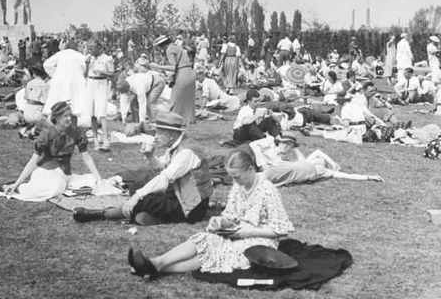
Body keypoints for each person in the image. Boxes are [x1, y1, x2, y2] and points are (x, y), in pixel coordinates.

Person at [127, 150, 293, 278]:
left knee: (218, 252)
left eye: (237, 177)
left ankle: (154, 267)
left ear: (251, 169)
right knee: (205, 238)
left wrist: (248, 232)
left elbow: (280, 230)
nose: (235, 182)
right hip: (237, 232)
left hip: (260, 240)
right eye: (232, 177)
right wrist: (219, 221)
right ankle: (157, 262)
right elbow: (230, 215)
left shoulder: (267, 189)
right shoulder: (239, 186)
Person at [73, 111, 213, 226]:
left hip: (192, 206)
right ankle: (151, 217)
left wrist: (137, 197)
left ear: (171, 135)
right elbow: (162, 167)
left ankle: (100, 214)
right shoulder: (177, 145)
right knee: (138, 188)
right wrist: (150, 156)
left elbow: (164, 178)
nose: (156, 137)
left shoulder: (187, 152)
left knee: (143, 198)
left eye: (159, 133)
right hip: (178, 194)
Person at [3, 102, 101, 200]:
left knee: (92, 181)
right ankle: (20, 187)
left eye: (70, 115)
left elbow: (87, 157)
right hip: (46, 172)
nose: (69, 118)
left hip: (65, 174)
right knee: (56, 188)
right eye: (65, 116)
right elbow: (33, 161)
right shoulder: (46, 135)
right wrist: (17, 183)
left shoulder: (76, 133)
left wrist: (98, 178)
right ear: (57, 118)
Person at [247, 135, 384, 187]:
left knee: (264, 178)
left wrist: (368, 177)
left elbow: (347, 176)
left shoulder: (324, 171)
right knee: (265, 176)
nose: (318, 159)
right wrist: (332, 162)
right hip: (287, 169)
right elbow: (318, 152)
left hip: (289, 172)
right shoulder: (308, 162)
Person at [150, 35, 196, 124]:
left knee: (175, 100)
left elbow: (173, 67)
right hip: (191, 72)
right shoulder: (178, 47)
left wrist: (157, 66)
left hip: (182, 73)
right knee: (188, 100)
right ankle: (188, 120)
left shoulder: (169, 49)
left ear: (162, 45)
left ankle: (175, 120)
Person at [42, 39, 87, 117]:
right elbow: (85, 67)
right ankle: (74, 121)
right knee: (75, 102)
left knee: (58, 99)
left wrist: (54, 74)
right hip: (75, 81)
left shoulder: (60, 54)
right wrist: (80, 74)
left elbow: (46, 64)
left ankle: (57, 119)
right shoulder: (79, 55)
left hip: (60, 80)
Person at [85, 41, 114, 151]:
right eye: (90, 48)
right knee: (91, 113)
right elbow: (84, 74)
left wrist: (103, 73)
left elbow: (112, 73)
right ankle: (96, 139)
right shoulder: (89, 58)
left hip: (101, 84)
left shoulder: (107, 58)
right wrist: (87, 64)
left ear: (99, 48)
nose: (90, 50)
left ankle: (106, 139)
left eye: (92, 48)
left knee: (101, 112)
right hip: (90, 83)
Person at [119, 58, 166, 124]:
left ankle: (155, 123)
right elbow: (123, 102)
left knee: (149, 103)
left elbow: (142, 103)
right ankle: (150, 121)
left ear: (129, 89)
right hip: (147, 84)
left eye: (127, 93)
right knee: (137, 103)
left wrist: (142, 121)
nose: (127, 94)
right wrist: (123, 118)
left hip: (158, 83)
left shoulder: (138, 86)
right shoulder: (125, 84)